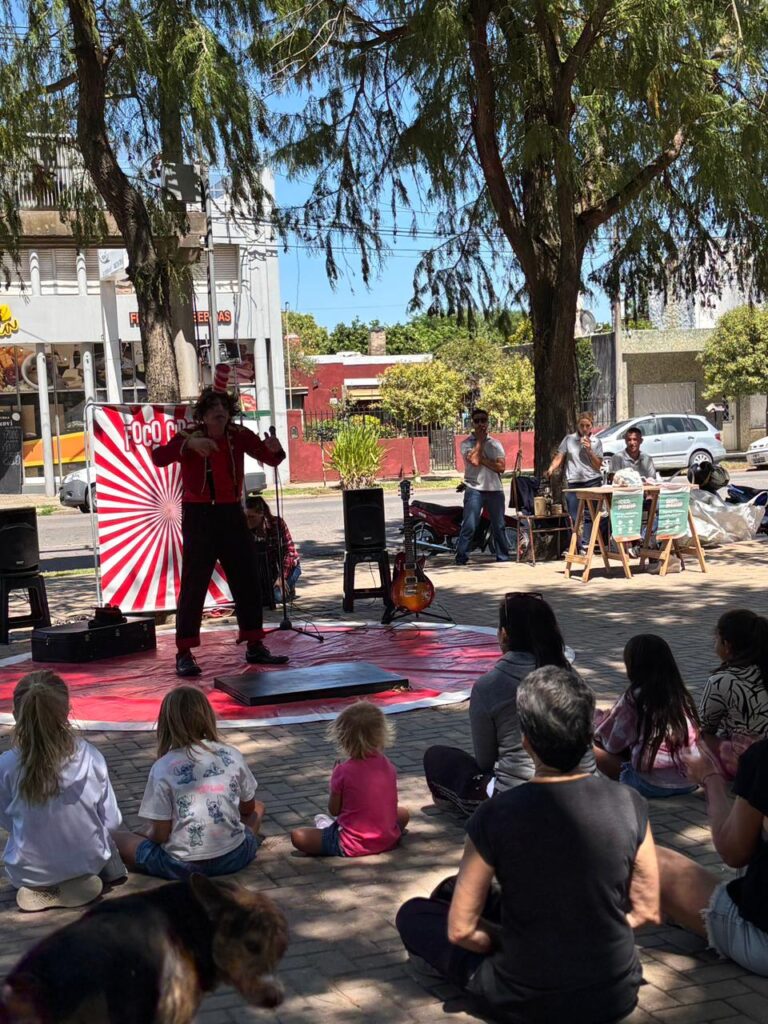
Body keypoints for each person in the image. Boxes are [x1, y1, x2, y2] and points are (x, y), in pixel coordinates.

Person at [397, 666, 660, 1024]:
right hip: (614, 992)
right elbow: (647, 910)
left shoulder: (494, 814)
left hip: (524, 996)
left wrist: (506, 942)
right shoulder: (630, 801)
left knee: (414, 913)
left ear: (526, 741)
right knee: (455, 893)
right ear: (588, 738)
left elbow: (461, 929)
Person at [151, 369, 289, 677]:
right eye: (214, 412)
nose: (220, 415)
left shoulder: (237, 435)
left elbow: (270, 458)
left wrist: (276, 448)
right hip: (199, 516)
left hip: (230, 513)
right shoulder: (189, 436)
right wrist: (188, 447)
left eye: (224, 411)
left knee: (247, 578)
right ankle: (184, 651)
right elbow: (159, 457)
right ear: (203, 415)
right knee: (194, 583)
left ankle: (254, 644)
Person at [423, 592, 595, 817]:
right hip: (580, 790)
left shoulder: (491, 685)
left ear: (504, 634)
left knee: (439, 758)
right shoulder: (574, 678)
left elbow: (485, 761)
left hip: (524, 796)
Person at [0, 671, 125, 912]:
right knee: (110, 850)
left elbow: (5, 818)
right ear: (67, 712)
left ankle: (41, 885)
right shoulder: (90, 755)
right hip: (88, 863)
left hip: (29, 871)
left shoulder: (6, 765)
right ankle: (81, 875)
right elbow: (112, 820)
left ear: (16, 716)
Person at [114, 687, 263, 880]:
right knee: (259, 806)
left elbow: (160, 835)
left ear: (166, 724)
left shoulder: (162, 767)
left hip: (181, 865)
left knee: (116, 837)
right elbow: (249, 807)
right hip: (235, 856)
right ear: (207, 717)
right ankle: (233, 840)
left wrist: (147, 834)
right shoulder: (231, 753)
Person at [657, 739, 768, 976]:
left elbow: (733, 852)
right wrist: (748, 774)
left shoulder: (765, 756)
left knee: (649, 859)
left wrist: (710, 778)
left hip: (762, 940)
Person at [290, 701, 409, 857]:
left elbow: (334, 810)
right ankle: (382, 836)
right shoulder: (388, 765)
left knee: (298, 836)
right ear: (382, 734)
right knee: (403, 813)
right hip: (387, 839)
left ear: (343, 738)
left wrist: (334, 783)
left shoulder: (343, 771)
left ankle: (328, 829)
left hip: (350, 843)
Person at [594, 634, 700, 797]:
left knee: (588, 746)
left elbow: (612, 743)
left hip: (651, 783)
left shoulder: (634, 697)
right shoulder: (680, 694)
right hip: (690, 780)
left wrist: (599, 721)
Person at [698, 609, 768, 775]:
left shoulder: (723, 680)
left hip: (752, 763)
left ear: (727, 645)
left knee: (699, 737)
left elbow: (707, 727)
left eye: (717, 639)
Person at [455, 409, 509, 565]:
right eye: (477, 421)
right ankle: (461, 557)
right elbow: (474, 461)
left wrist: (482, 458)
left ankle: (503, 557)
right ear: (472, 423)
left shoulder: (496, 444)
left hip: (495, 490)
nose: (480, 424)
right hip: (474, 488)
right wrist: (479, 441)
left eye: (483, 420)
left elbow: (501, 467)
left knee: (499, 525)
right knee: (470, 525)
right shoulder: (466, 443)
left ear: (487, 422)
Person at [547, 411, 605, 553]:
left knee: (590, 513)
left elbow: (598, 465)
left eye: (587, 426)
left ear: (592, 426)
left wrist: (589, 450)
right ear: (578, 425)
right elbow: (560, 456)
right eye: (582, 425)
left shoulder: (597, 442)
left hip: (592, 480)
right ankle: (576, 542)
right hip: (575, 481)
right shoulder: (569, 439)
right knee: (574, 514)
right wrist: (551, 468)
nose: (584, 429)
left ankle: (585, 544)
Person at [245, 495, 302, 603]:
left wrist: (282, 576)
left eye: (252, 517)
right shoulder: (246, 529)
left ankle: (289, 587)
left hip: (287, 567)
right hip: (265, 571)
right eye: (246, 517)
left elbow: (289, 552)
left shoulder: (277, 523)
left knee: (276, 597)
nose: (248, 520)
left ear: (261, 514)